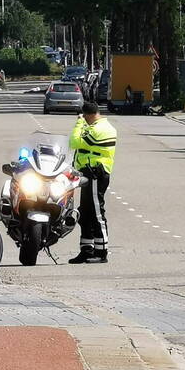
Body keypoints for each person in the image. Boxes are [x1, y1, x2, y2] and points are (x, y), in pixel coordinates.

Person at [68, 101, 117, 264]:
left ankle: (101, 252)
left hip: (96, 172)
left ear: (88, 115)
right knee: (85, 214)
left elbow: (74, 142)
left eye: (84, 117)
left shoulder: (99, 129)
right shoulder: (97, 127)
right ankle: (86, 250)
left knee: (97, 213)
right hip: (88, 173)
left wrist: (79, 123)